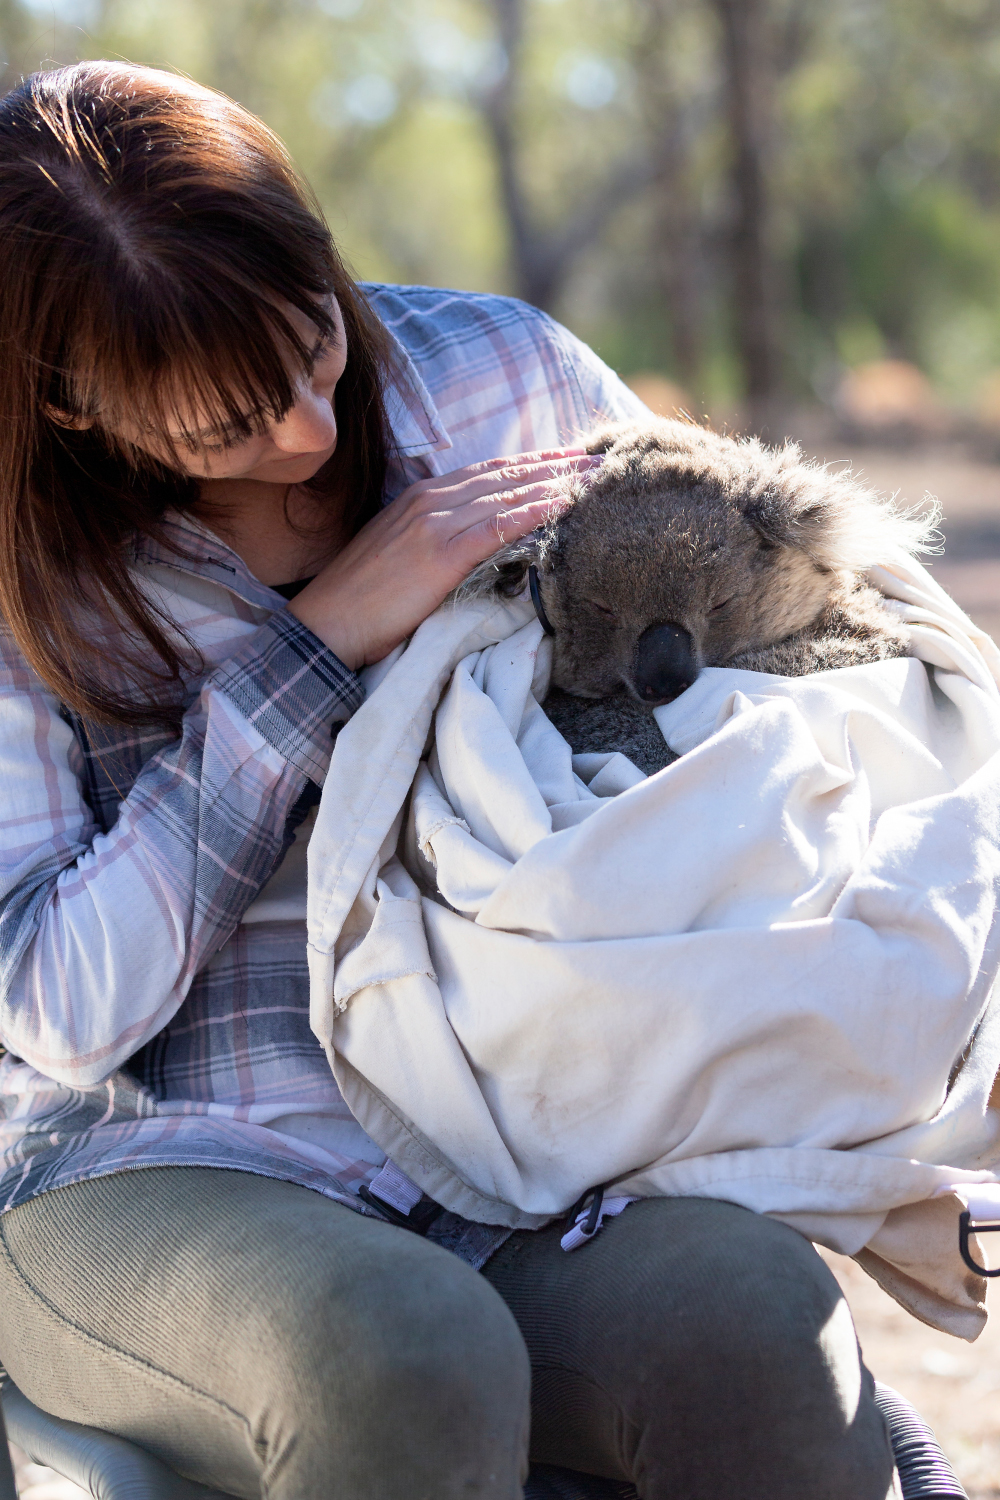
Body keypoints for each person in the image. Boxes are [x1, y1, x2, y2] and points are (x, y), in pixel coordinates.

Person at [0, 61, 897, 1500]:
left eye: (312, 347)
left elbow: (794, 626)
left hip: (532, 1132)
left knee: (757, 1329)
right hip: (154, 1161)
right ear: (67, 406)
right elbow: (56, 1009)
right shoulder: (25, 581)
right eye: (223, 424)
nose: (305, 430)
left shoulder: (505, 372)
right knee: (404, 1351)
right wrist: (314, 655)